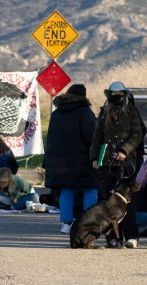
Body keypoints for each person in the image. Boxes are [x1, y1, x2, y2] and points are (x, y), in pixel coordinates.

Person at [90, 81, 144, 248]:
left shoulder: (132, 112)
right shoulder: (104, 113)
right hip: (106, 161)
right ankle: (113, 237)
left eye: (120, 93)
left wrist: (124, 151)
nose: (117, 96)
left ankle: (132, 237)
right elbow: (97, 137)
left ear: (125, 94)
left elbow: (137, 134)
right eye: (114, 94)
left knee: (127, 202)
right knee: (107, 201)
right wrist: (94, 158)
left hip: (126, 163)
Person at [43, 84, 98, 234]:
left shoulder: (56, 114)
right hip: (83, 160)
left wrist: (48, 161)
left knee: (66, 190)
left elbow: (51, 140)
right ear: (84, 97)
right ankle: (88, 223)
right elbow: (92, 138)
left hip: (61, 161)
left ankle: (66, 224)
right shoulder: (85, 112)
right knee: (90, 188)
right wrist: (97, 156)